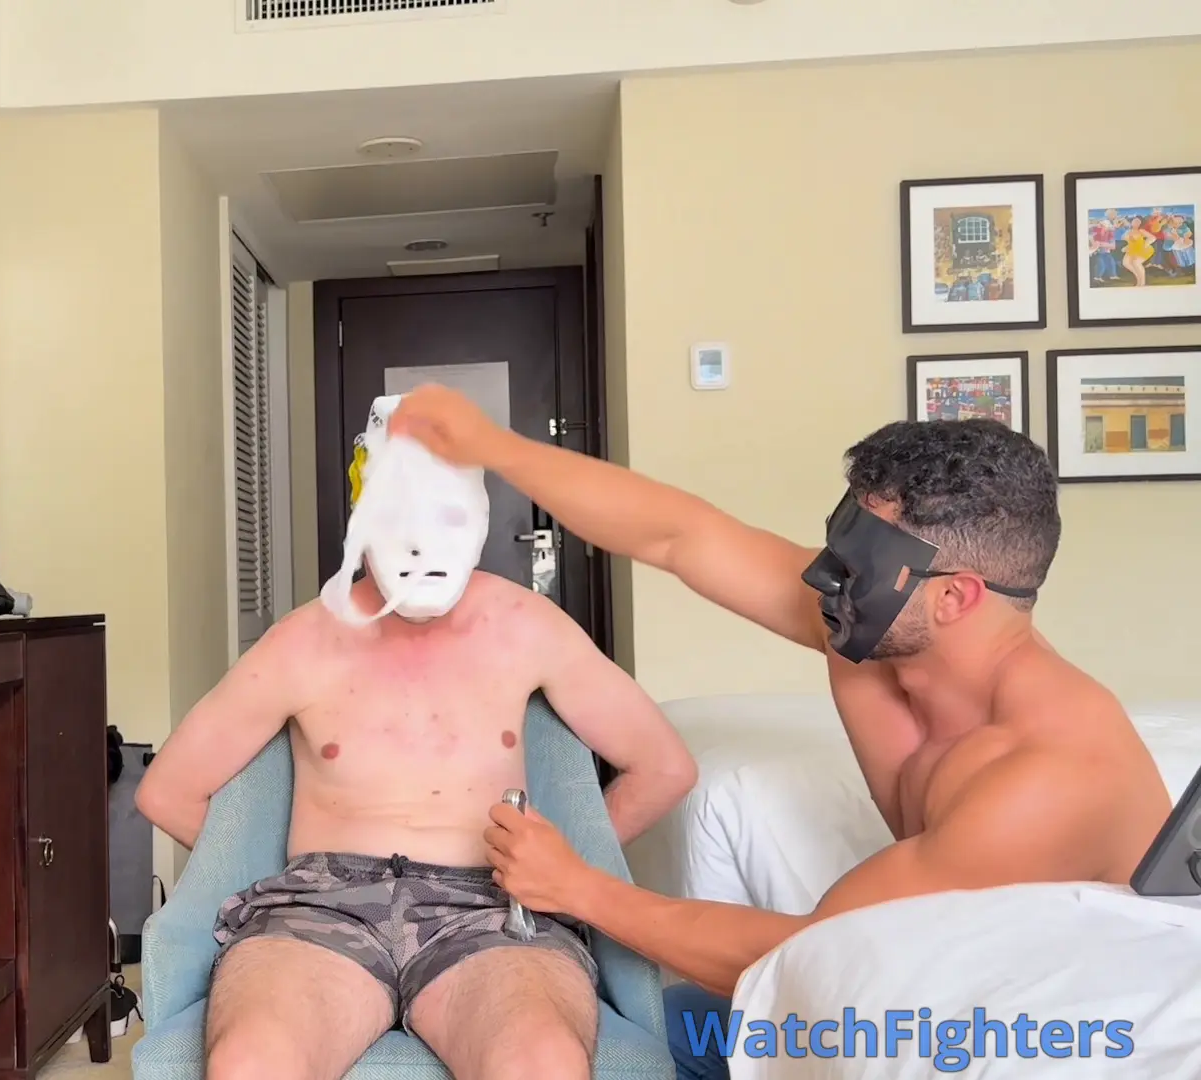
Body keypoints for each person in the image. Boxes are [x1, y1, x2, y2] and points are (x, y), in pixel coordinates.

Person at [388, 385, 1172, 1080]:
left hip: (1052, 1032)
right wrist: (493, 446)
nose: (826, 576)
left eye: (857, 566)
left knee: (658, 1034)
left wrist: (578, 888)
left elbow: (815, 954)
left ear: (956, 597)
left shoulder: (1048, 775)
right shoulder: (879, 631)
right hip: (933, 976)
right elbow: (678, 537)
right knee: (643, 1025)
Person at [136, 398, 697, 1080]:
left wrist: (566, 867)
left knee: (541, 1062)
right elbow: (167, 791)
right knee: (253, 1062)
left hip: (491, 909)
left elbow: (662, 766)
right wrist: (255, 864)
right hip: (321, 905)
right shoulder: (303, 641)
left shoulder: (527, 626)